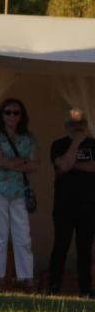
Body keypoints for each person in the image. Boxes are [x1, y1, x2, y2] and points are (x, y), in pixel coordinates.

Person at [0, 97, 37, 291]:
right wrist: (20, 162)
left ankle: (27, 278)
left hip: (18, 191)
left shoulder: (28, 137)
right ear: (1, 115)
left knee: (23, 236)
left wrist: (7, 162)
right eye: (8, 112)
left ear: (22, 116)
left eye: (16, 113)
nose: (12, 116)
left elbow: (34, 165)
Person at [48, 109, 95, 297]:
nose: (77, 129)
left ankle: (86, 290)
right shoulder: (58, 144)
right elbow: (62, 165)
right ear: (67, 126)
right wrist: (76, 143)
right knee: (61, 245)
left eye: (80, 125)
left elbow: (92, 166)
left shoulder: (93, 144)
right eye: (73, 126)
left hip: (89, 205)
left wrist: (71, 165)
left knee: (85, 248)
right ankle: (53, 286)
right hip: (64, 205)